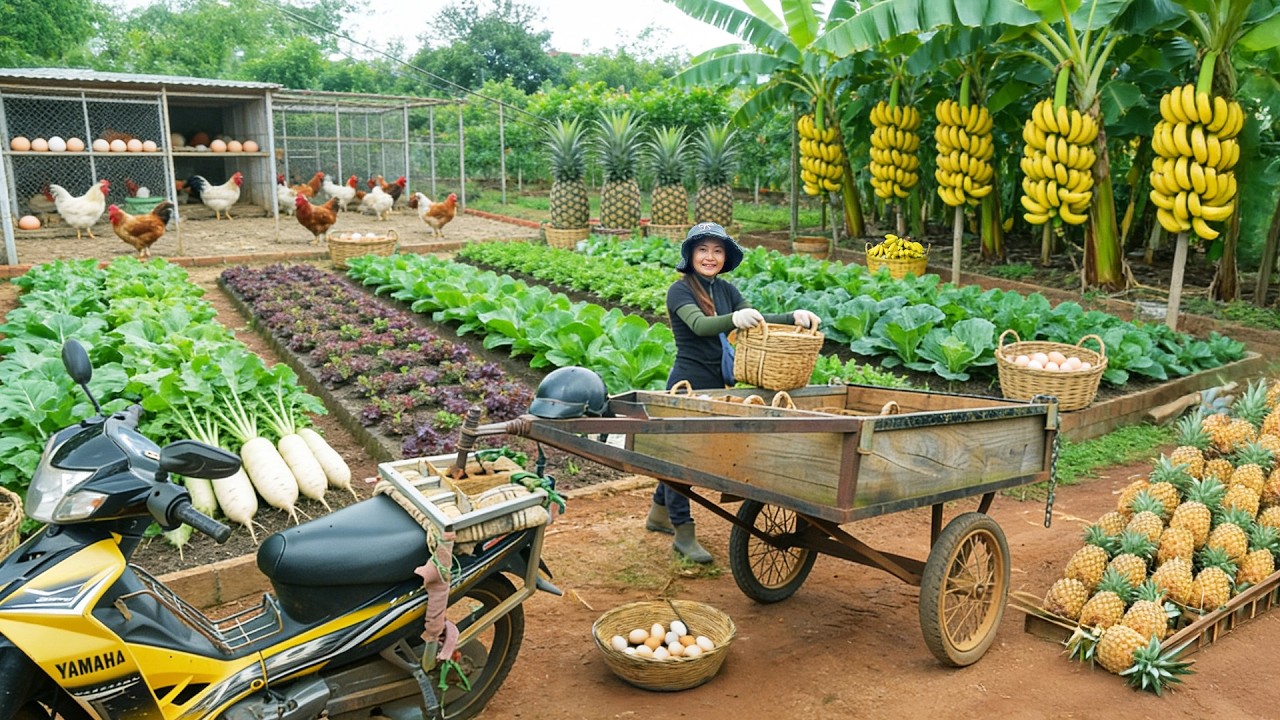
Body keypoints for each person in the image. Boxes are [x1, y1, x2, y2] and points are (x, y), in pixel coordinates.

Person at [647, 222, 821, 563]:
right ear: (690, 255)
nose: (709, 257)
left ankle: (659, 514)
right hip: (688, 383)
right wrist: (733, 319)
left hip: (720, 382)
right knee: (682, 459)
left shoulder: (726, 290)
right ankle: (683, 533)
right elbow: (700, 326)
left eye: (717, 250)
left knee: (682, 454)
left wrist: (792, 316)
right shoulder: (679, 291)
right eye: (702, 250)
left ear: (724, 257)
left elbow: (754, 319)